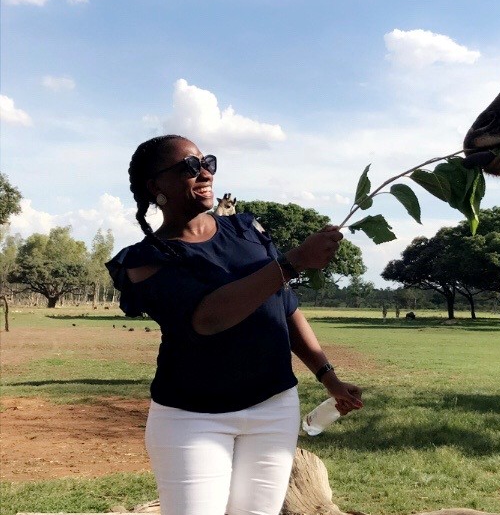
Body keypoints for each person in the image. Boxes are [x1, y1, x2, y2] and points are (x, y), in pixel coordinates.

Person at [106, 134, 363, 515]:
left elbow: (284, 306)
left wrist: (328, 377)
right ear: (155, 186)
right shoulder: (143, 261)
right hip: (192, 418)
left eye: (207, 161)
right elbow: (208, 319)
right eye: (189, 167)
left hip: (273, 408)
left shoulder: (246, 230)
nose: (204, 171)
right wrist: (292, 262)